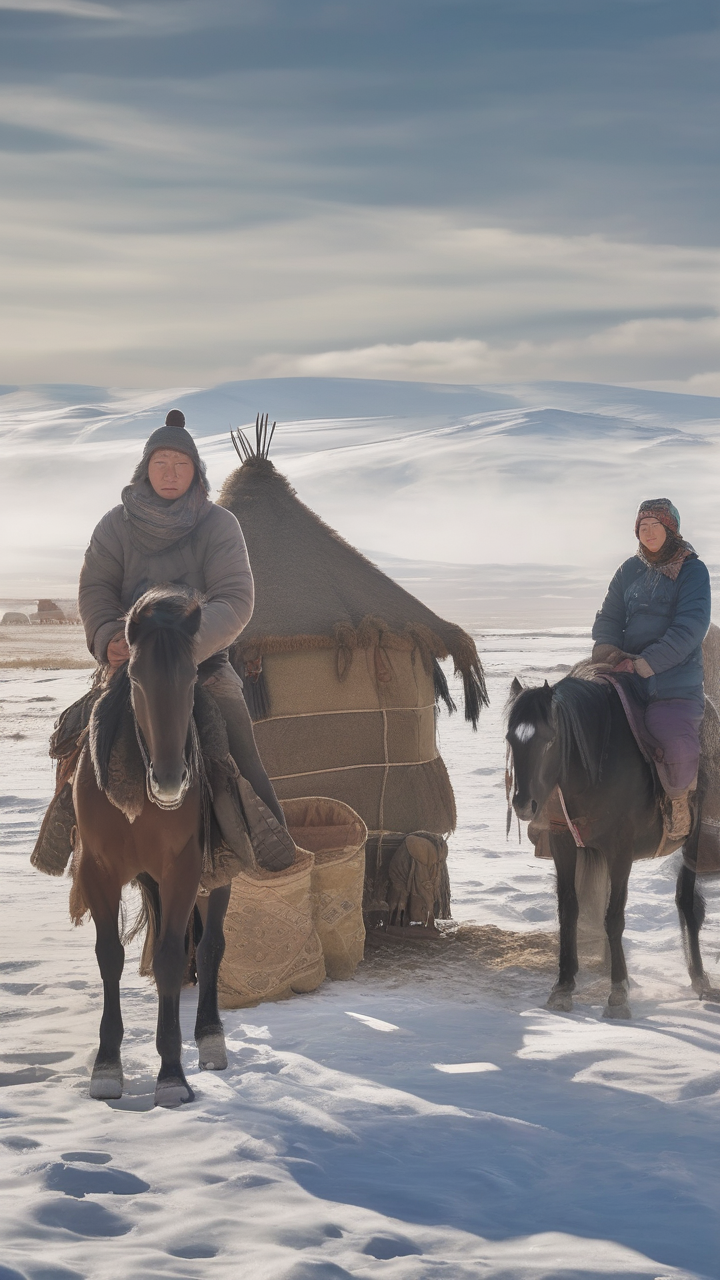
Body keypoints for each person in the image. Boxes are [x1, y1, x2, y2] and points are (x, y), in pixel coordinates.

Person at [78, 408, 284, 825]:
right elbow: (95, 588)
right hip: (130, 662)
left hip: (203, 661)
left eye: (180, 465)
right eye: (161, 464)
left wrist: (183, 647)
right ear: (146, 469)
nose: (170, 473)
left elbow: (235, 597)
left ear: (196, 472)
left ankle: (274, 851)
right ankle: (71, 841)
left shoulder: (218, 525)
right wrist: (106, 637)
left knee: (244, 760)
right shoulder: (114, 526)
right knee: (78, 746)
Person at [591, 498, 711, 839]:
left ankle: (678, 803)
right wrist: (608, 650)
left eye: (654, 525)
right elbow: (610, 615)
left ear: (670, 529)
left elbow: (690, 627)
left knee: (672, 734)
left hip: (672, 681)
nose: (648, 532)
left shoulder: (692, 570)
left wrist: (644, 664)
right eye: (642, 527)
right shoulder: (629, 569)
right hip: (623, 673)